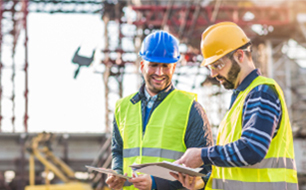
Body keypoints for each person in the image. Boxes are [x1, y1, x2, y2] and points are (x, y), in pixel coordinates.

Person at [172, 22, 298, 190]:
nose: (213, 74)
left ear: (240, 56)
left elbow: (252, 149)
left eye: (217, 65)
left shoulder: (261, 92)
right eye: (211, 67)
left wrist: (202, 155)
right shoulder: (242, 98)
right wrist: (203, 181)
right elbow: (236, 171)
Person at [105, 30, 213, 190]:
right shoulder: (123, 107)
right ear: (142, 66)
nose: (159, 72)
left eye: (165, 66)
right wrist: (117, 172)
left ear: (174, 67)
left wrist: (156, 183)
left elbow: (203, 172)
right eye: (153, 65)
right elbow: (118, 151)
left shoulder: (191, 108)